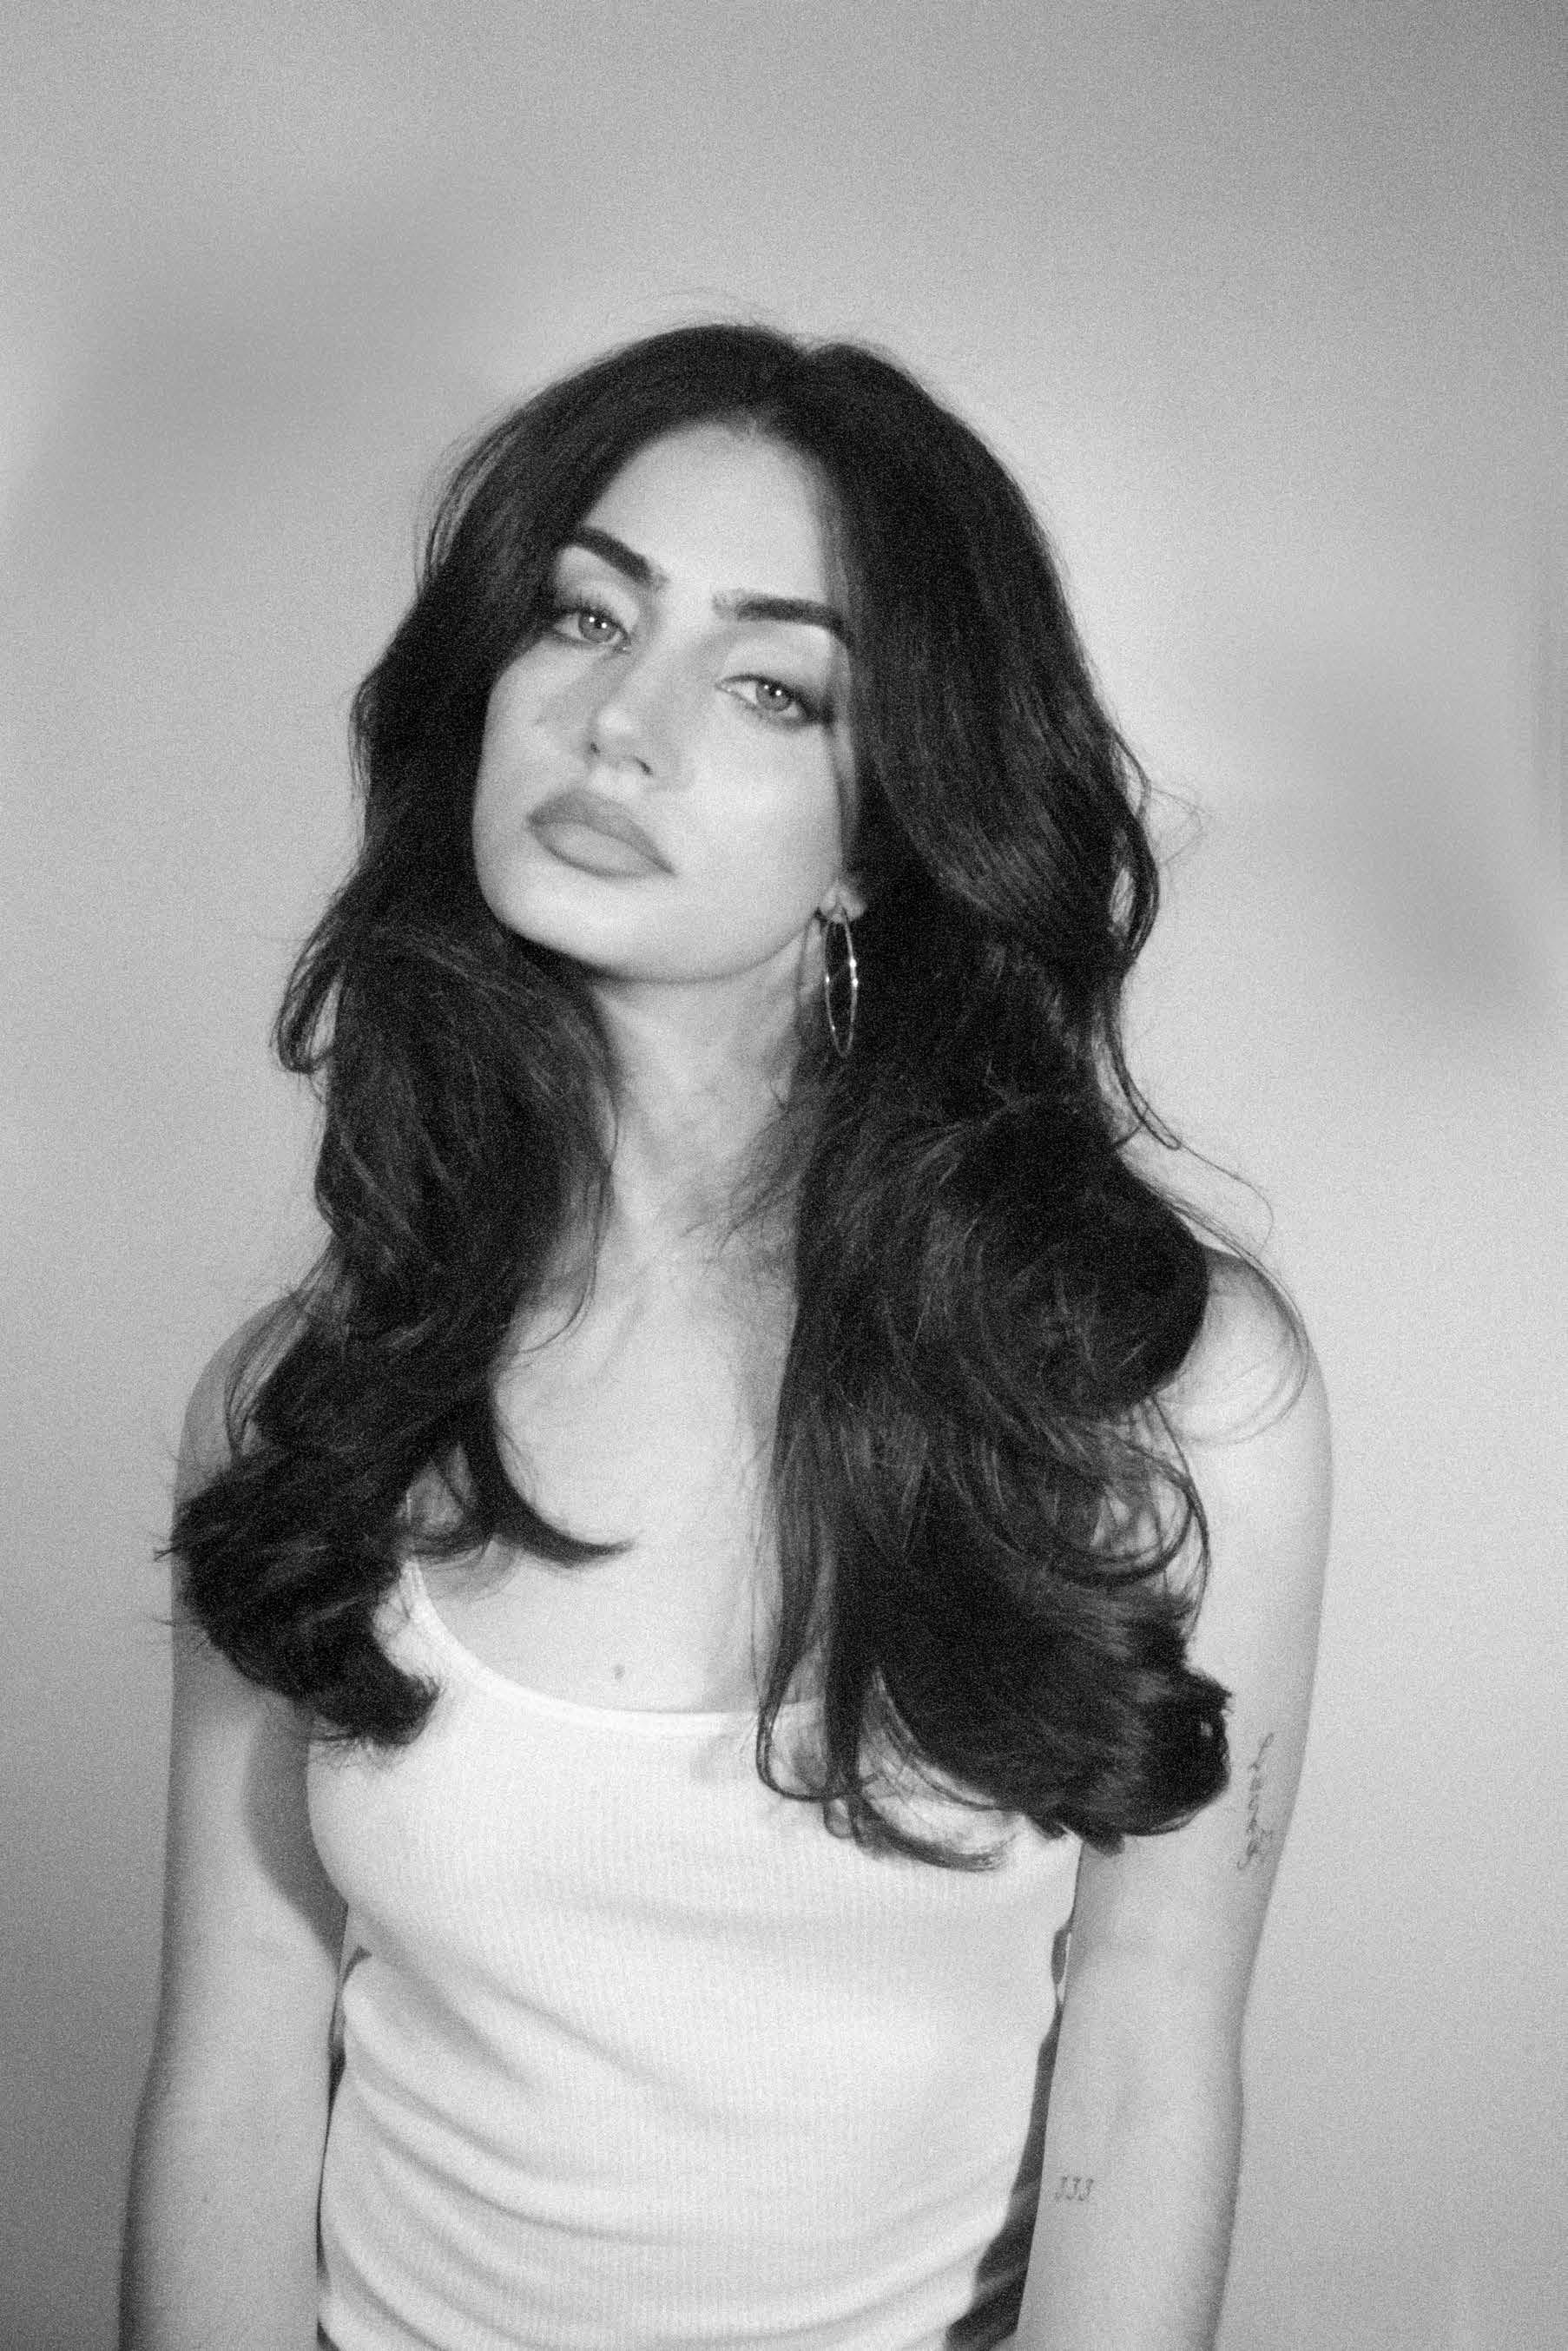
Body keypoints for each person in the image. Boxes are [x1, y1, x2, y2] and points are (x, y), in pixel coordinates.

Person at [122, 321, 1330, 2351]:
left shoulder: (1164, 1394)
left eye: (771, 683)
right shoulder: (305, 1400)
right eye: (583, 614)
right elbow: (238, 2072)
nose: (620, 720)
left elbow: (1148, 2064)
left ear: (883, 832)